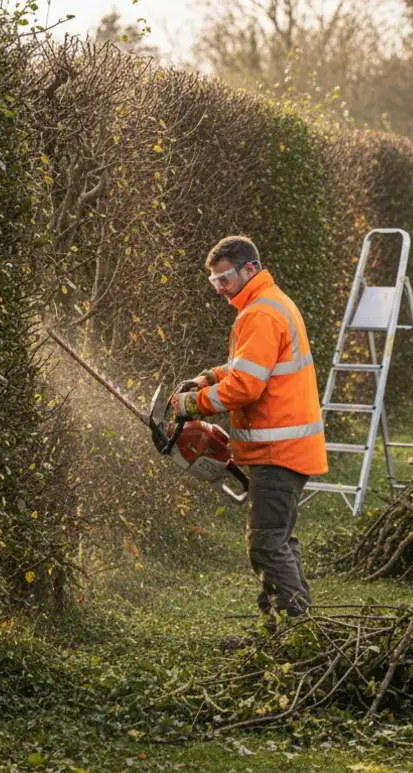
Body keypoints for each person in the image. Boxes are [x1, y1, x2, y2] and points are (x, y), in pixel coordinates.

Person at [171, 235, 328, 635]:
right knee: (278, 541)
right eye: (214, 282)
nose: (220, 289)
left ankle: (298, 637)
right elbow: (246, 368)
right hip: (280, 448)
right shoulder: (267, 304)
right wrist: (209, 377)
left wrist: (193, 404)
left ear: (249, 269)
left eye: (224, 278)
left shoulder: (260, 313)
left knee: (267, 545)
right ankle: (282, 635)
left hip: (278, 450)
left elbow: (246, 387)